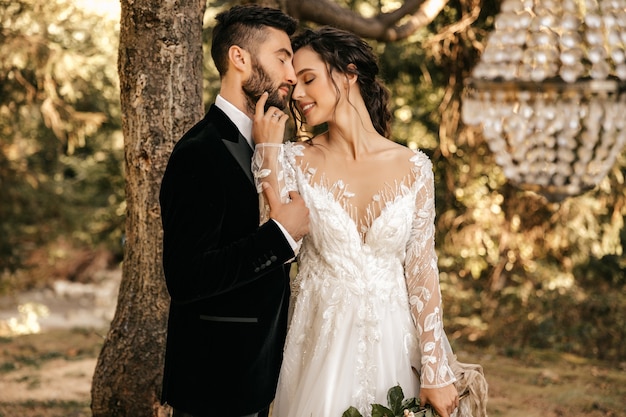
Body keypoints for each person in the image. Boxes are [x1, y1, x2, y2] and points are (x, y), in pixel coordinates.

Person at [252, 27, 487, 417]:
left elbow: (422, 272)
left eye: (308, 79)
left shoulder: (414, 168)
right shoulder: (291, 161)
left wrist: (435, 369)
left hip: (397, 349)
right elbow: (276, 239)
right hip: (320, 353)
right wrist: (267, 151)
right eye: (295, 84)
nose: (296, 94)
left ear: (348, 74)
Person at [159, 5, 309, 417]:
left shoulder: (274, 145)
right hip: (215, 380)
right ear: (239, 58)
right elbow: (186, 278)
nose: (292, 75)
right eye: (282, 57)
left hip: (262, 376)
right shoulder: (199, 152)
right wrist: (278, 237)